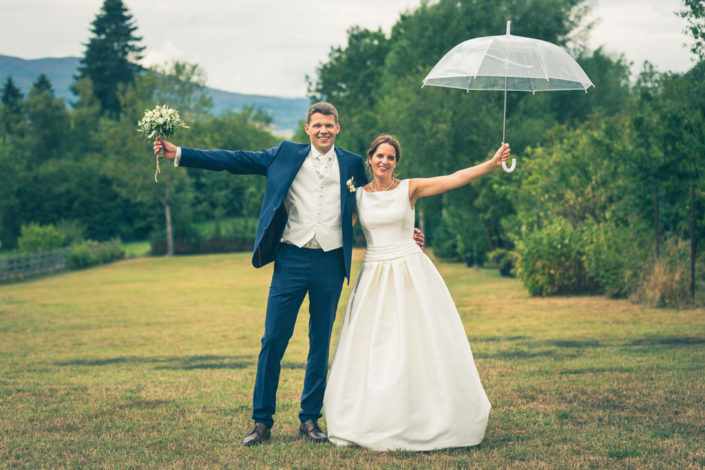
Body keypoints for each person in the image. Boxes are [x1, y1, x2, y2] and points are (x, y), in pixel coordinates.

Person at [153, 104, 423, 446]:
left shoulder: (355, 163)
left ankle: (310, 418)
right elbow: (235, 160)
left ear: (337, 128)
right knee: (272, 341)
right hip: (291, 259)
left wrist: (405, 232)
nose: (323, 130)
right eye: (317, 125)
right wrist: (180, 153)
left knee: (319, 343)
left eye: (329, 125)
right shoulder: (284, 153)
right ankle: (261, 422)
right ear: (307, 128)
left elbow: (382, 196)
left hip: (330, 261)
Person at [323, 135, 511, 451]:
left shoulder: (409, 189)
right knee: (376, 346)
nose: (384, 161)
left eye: (391, 157)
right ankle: (373, 417)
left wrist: (492, 164)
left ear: (397, 163)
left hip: (411, 273)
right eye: (380, 155)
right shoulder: (357, 197)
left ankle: (429, 416)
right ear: (369, 159)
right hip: (375, 277)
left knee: (419, 343)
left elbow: (455, 179)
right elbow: (336, 227)